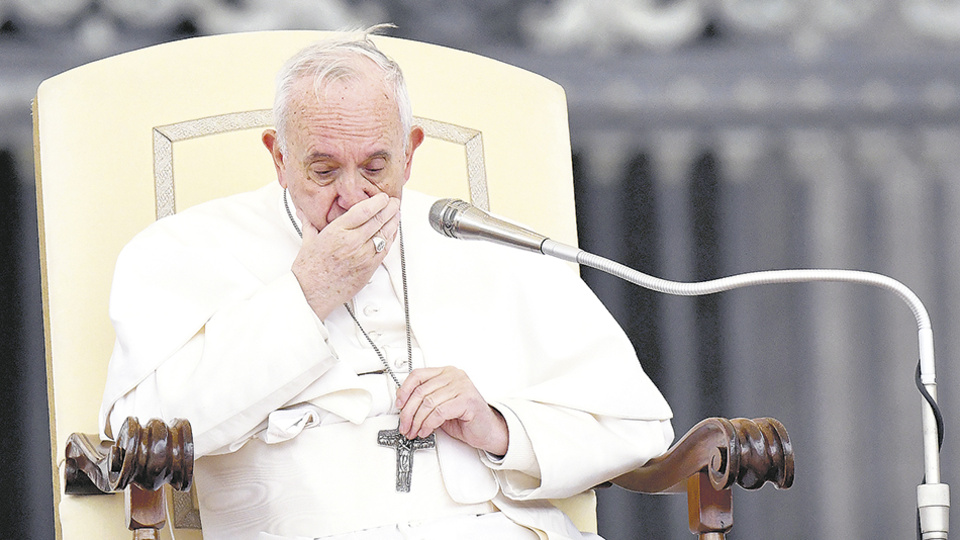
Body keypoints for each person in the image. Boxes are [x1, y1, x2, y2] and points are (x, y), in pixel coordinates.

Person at [99, 28, 674, 540]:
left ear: (411, 151)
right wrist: (306, 294)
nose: (353, 196)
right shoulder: (181, 249)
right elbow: (139, 433)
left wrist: (498, 426)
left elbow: (636, 425)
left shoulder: (479, 241)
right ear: (278, 156)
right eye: (323, 170)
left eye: (377, 167)